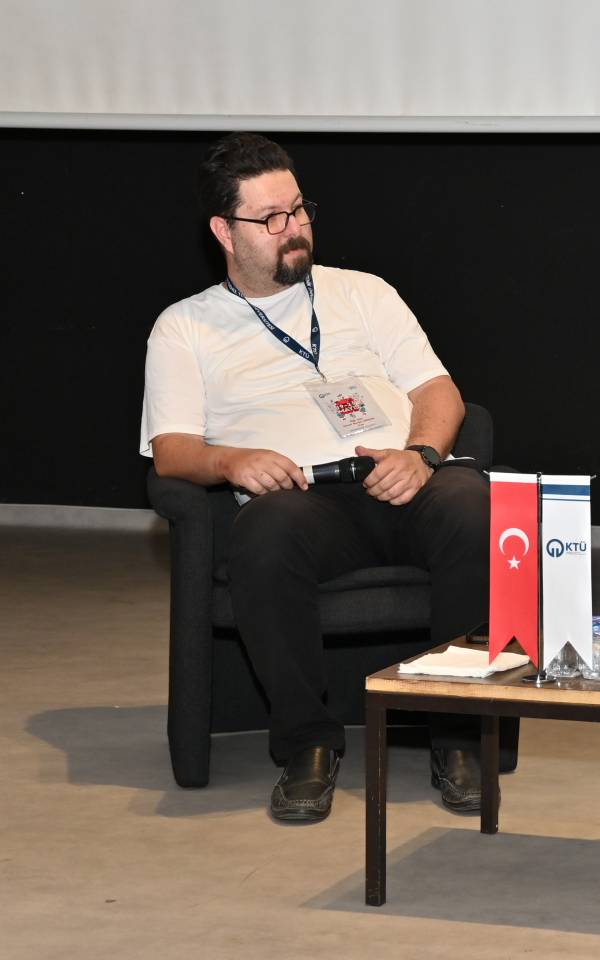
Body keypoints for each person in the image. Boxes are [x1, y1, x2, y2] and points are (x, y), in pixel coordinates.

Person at [141, 133, 491, 823]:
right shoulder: (185, 327)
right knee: (265, 533)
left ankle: (458, 738)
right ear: (224, 231)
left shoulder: (365, 293)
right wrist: (231, 461)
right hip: (302, 500)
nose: (294, 228)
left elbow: (439, 391)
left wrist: (421, 455)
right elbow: (171, 450)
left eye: (299, 209)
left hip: (403, 478)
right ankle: (307, 745)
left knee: (474, 506)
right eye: (271, 218)